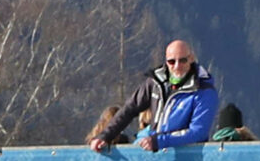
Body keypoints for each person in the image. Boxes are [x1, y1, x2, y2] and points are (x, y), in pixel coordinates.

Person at [89, 40, 220, 153]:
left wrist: (159, 141)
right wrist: (105, 136)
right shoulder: (156, 82)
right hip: (157, 158)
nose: (177, 66)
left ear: (191, 58)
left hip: (189, 159)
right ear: (166, 61)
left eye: (183, 60)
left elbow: (198, 132)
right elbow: (129, 109)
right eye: (171, 61)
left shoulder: (204, 90)